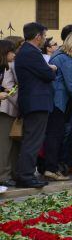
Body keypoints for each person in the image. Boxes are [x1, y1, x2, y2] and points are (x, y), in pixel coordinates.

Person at [14, 22, 57, 188]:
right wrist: (51, 68)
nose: (44, 39)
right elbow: (47, 74)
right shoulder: (30, 52)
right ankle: (25, 176)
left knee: (32, 140)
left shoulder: (27, 52)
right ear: (38, 36)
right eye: (44, 36)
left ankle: (25, 174)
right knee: (33, 140)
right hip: (36, 102)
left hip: (34, 101)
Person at [44, 31, 72, 180]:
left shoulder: (60, 55)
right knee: (55, 136)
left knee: (55, 136)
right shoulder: (67, 60)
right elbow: (71, 85)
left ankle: (52, 167)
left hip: (56, 101)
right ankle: (51, 169)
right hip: (60, 102)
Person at [0, 39, 20, 187]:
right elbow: (8, 88)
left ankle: (10, 172)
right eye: (12, 51)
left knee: (11, 143)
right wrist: (19, 104)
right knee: (5, 144)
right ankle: (4, 174)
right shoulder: (6, 67)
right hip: (6, 108)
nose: (14, 54)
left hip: (9, 108)